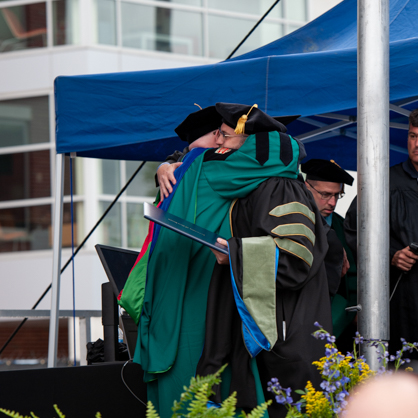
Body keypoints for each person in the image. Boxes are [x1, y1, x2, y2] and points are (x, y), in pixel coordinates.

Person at [127, 102, 310, 418]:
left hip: (171, 303)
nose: (220, 144)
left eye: (224, 136)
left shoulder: (182, 173)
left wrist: (169, 164)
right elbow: (283, 153)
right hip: (202, 297)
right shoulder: (207, 165)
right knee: (210, 387)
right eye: (217, 136)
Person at [195, 106, 342, 418]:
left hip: (287, 334)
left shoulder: (280, 186)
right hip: (269, 326)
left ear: (248, 143)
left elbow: (295, 260)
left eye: (224, 135)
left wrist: (234, 251)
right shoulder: (252, 185)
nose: (216, 143)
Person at [301, 159, 357, 353]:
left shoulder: (343, 227)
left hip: (336, 320)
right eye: (325, 195)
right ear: (306, 187)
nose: (332, 203)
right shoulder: (294, 222)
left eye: (337, 195)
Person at [388, 108, 418, 358]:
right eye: (412, 136)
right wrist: (391, 254)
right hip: (403, 301)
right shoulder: (386, 182)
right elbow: (356, 229)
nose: (417, 144)